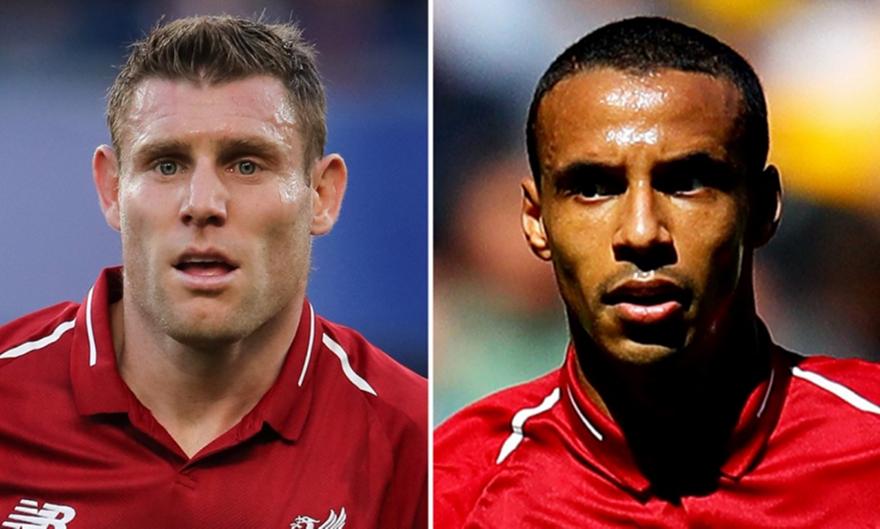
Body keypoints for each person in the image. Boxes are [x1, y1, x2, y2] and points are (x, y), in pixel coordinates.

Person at [434, 16, 880, 527]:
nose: (642, 232)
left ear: (762, 208)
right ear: (536, 222)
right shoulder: (452, 492)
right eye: (594, 188)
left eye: (686, 183)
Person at [0, 16, 426, 528]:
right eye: (167, 164)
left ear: (322, 194)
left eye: (246, 165)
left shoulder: (415, 443)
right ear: (111, 189)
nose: (202, 204)